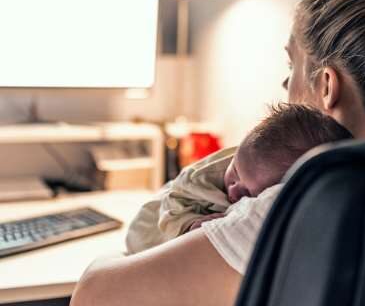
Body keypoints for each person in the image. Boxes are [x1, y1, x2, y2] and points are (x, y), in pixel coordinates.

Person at [70, 0, 365, 306]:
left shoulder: (299, 204)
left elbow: (94, 295)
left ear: (327, 87)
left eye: (293, 65)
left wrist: (114, 255)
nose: (285, 82)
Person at [126, 103, 352, 255]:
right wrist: (188, 225)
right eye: (234, 174)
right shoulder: (207, 176)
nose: (233, 190)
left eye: (246, 194)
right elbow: (174, 202)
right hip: (149, 227)